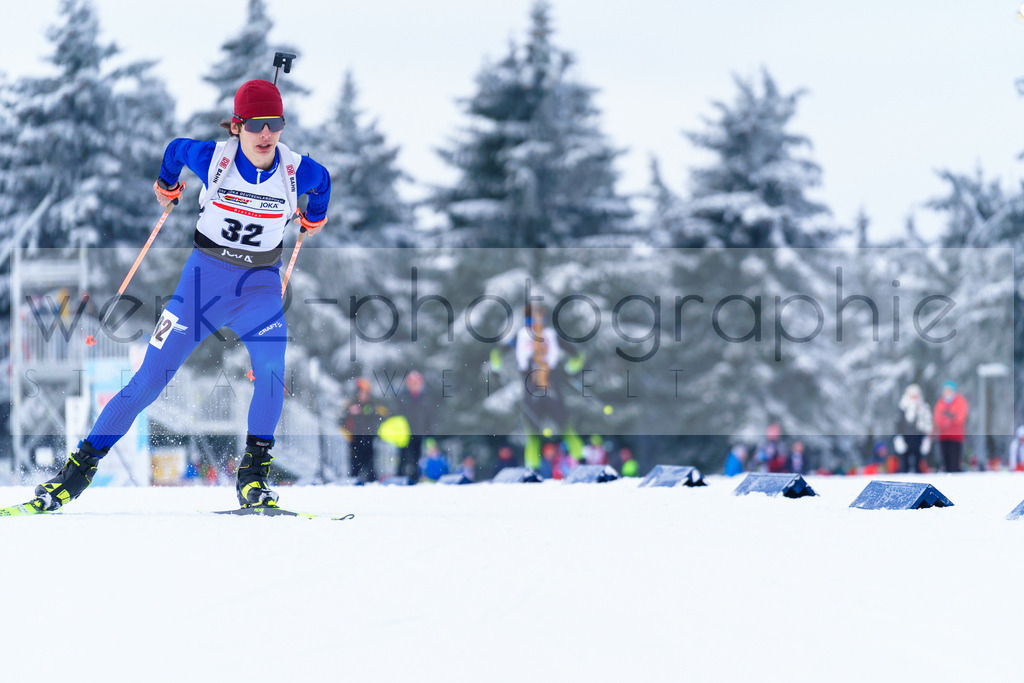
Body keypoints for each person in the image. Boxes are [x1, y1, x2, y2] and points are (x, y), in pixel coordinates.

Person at [30, 79, 331, 512]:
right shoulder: (214, 158)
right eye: (257, 125)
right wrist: (166, 184)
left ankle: (253, 479)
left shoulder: (297, 169)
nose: (267, 135)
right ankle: (75, 473)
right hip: (202, 285)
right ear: (237, 126)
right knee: (148, 382)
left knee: (270, 373)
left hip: (259, 288)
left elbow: (323, 186)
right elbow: (174, 150)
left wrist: (313, 217)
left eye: (276, 124)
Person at [340, 377, 389, 482]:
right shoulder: (350, 405)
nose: (365, 395)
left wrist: (368, 411)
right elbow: (341, 421)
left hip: (369, 441)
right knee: (355, 469)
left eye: (366, 392)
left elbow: (384, 414)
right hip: (355, 441)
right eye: (362, 392)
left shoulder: (372, 405)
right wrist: (349, 413)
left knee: (371, 469)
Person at [395, 370, 434, 483]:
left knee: (416, 457)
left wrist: (429, 435)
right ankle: (399, 478)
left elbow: (428, 419)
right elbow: (397, 414)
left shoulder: (424, 399)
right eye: (412, 382)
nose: (414, 385)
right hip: (404, 433)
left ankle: (414, 479)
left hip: (418, 432)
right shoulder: (403, 397)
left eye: (417, 382)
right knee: (402, 457)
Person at [893, 383, 932, 473]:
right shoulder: (902, 408)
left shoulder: (924, 408)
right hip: (906, 438)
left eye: (916, 395)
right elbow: (898, 424)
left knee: (919, 464)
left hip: (919, 439)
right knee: (904, 463)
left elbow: (928, 423)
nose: (914, 398)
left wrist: (927, 438)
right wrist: (898, 437)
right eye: (912, 395)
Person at [933, 380, 969, 473]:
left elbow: (960, 417)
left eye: (950, 390)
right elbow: (937, 417)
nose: (948, 392)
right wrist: (948, 420)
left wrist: (949, 418)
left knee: (954, 460)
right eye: (946, 390)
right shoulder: (940, 402)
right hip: (943, 436)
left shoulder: (960, 401)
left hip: (956, 436)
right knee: (946, 461)